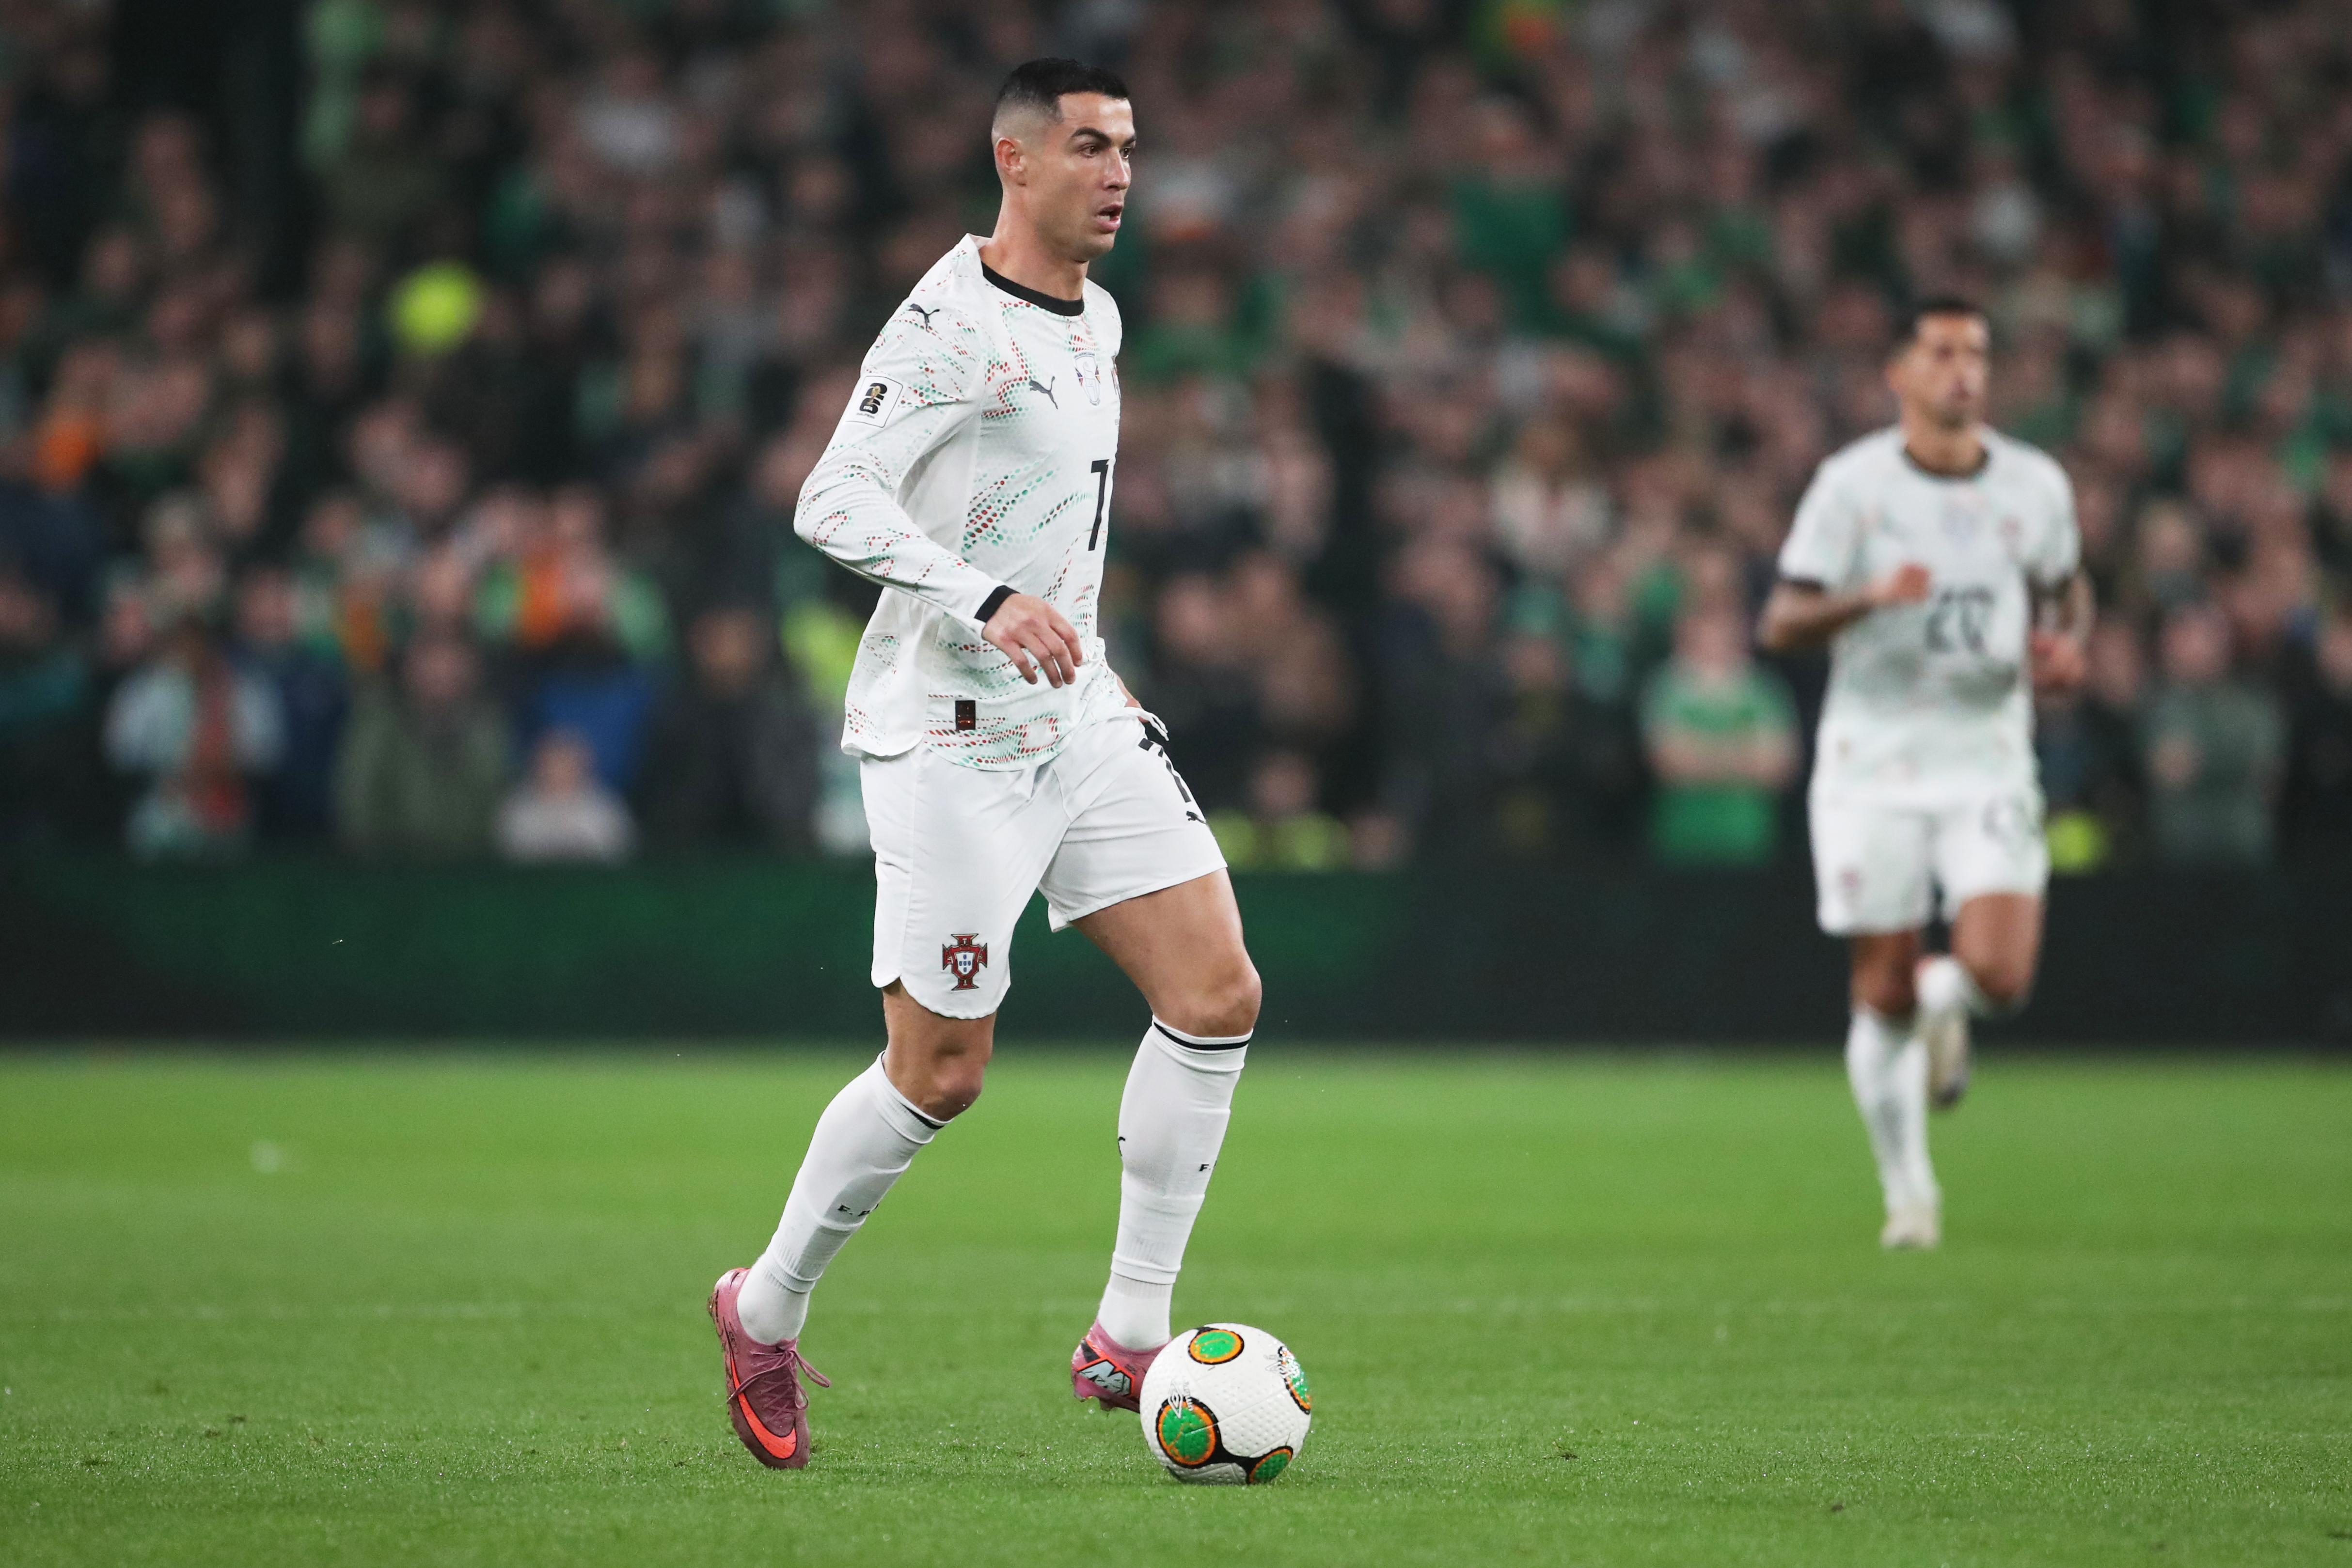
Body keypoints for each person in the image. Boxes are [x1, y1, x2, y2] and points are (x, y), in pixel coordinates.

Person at [706, 60, 1259, 1472]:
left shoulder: (1104, 316)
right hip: (947, 736)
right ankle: (763, 1306)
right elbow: (828, 494)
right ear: (1011, 162)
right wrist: (984, 601)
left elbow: (1047, 525)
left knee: (1216, 990)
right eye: (1088, 146)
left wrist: (1065, 632)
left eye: (1128, 145)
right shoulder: (951, 324)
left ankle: (1130, 1336)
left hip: (1069, 716)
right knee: (942, 1073)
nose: (1120, 172)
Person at [1758, 297, 2091, 1250]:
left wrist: (2068, 645)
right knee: (1882, 992)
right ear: (1899, 374)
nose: (1964, 371)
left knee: (1999, 973)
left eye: (1977, 353)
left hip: (1985, 754)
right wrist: (1867, 597)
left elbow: (2070, 589)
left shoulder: (2034, 485)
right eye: (1942, 353)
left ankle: (1953, 996)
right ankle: (1910, 1193)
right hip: (1872, 762)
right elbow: (1781, 620)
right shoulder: (1853, 486)